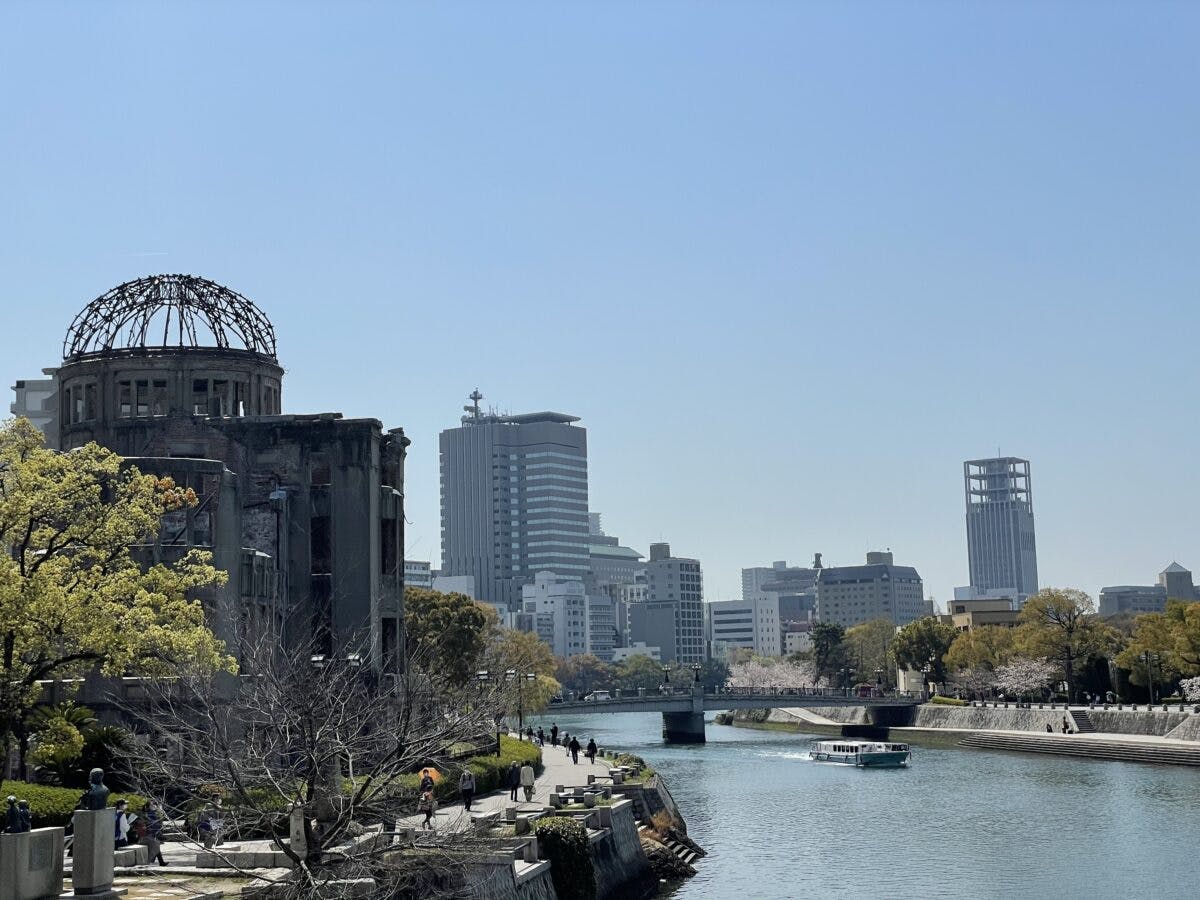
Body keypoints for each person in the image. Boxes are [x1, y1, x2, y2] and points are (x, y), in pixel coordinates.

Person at [144, 801, 166, 866]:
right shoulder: (149, 814)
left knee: (156, 847)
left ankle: (158, 861)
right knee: (156, 847)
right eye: (152, 805)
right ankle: (160, 862)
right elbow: (153, 824)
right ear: (148, 806)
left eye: (154, 805)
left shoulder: (154, 813)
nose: (154, 806)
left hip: (155, 833)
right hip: (151, 833)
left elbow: (159, 822)